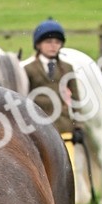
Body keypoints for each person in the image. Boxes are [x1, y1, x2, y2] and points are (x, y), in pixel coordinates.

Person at [23, 18, 82, 153]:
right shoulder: (28, 69)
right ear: (38, 45)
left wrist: (78, 126)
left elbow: (76, 99)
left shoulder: (67, 68)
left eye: (57, 42)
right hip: (38, 129)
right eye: (48, 42)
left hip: (64, 127)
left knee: (68, 168)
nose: (53, 46)